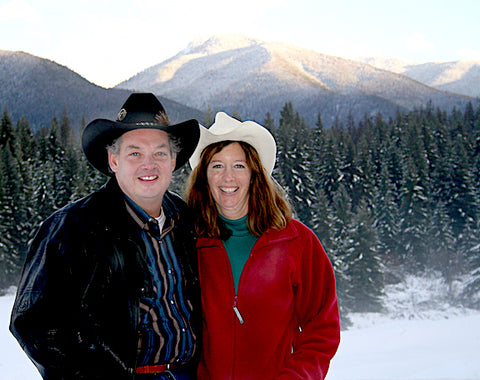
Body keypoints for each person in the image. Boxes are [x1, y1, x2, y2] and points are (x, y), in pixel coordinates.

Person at [10, 93, 202, 380]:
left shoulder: (186, 219)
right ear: (113, 160)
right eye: (134, 153)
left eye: (160, 153)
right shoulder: (73, 227)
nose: (148, 165)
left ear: (173, 160)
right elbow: (33, 324)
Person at [186, 112, 341, 380]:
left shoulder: (296, 242)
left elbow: (322, 329)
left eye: (239, 166)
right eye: (217, 166)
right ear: (204, 176)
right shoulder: (189, 242)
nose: (228, 178)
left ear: (255, 173)